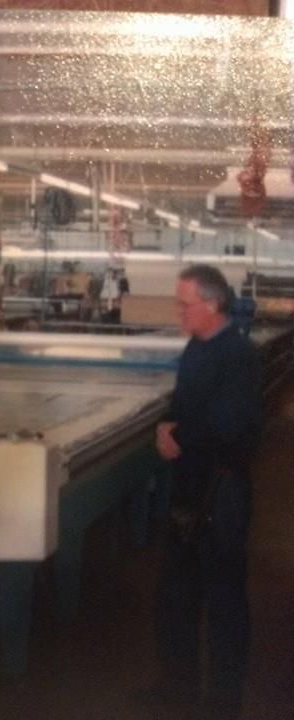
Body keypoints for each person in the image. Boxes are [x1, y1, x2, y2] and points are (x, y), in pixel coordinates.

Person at [153, 264, 262, 720]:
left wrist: (178, 435)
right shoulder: (196, 347)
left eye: (185, 305)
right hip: (190, 485)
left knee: (223, 596)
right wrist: (166, 424)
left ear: (213, 304)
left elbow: (228, 424)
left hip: (223, 490)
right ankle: (177, 687)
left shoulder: (239, 355)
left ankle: (222, 701)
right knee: (178, 590)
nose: (179, 312)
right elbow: (185, 403)